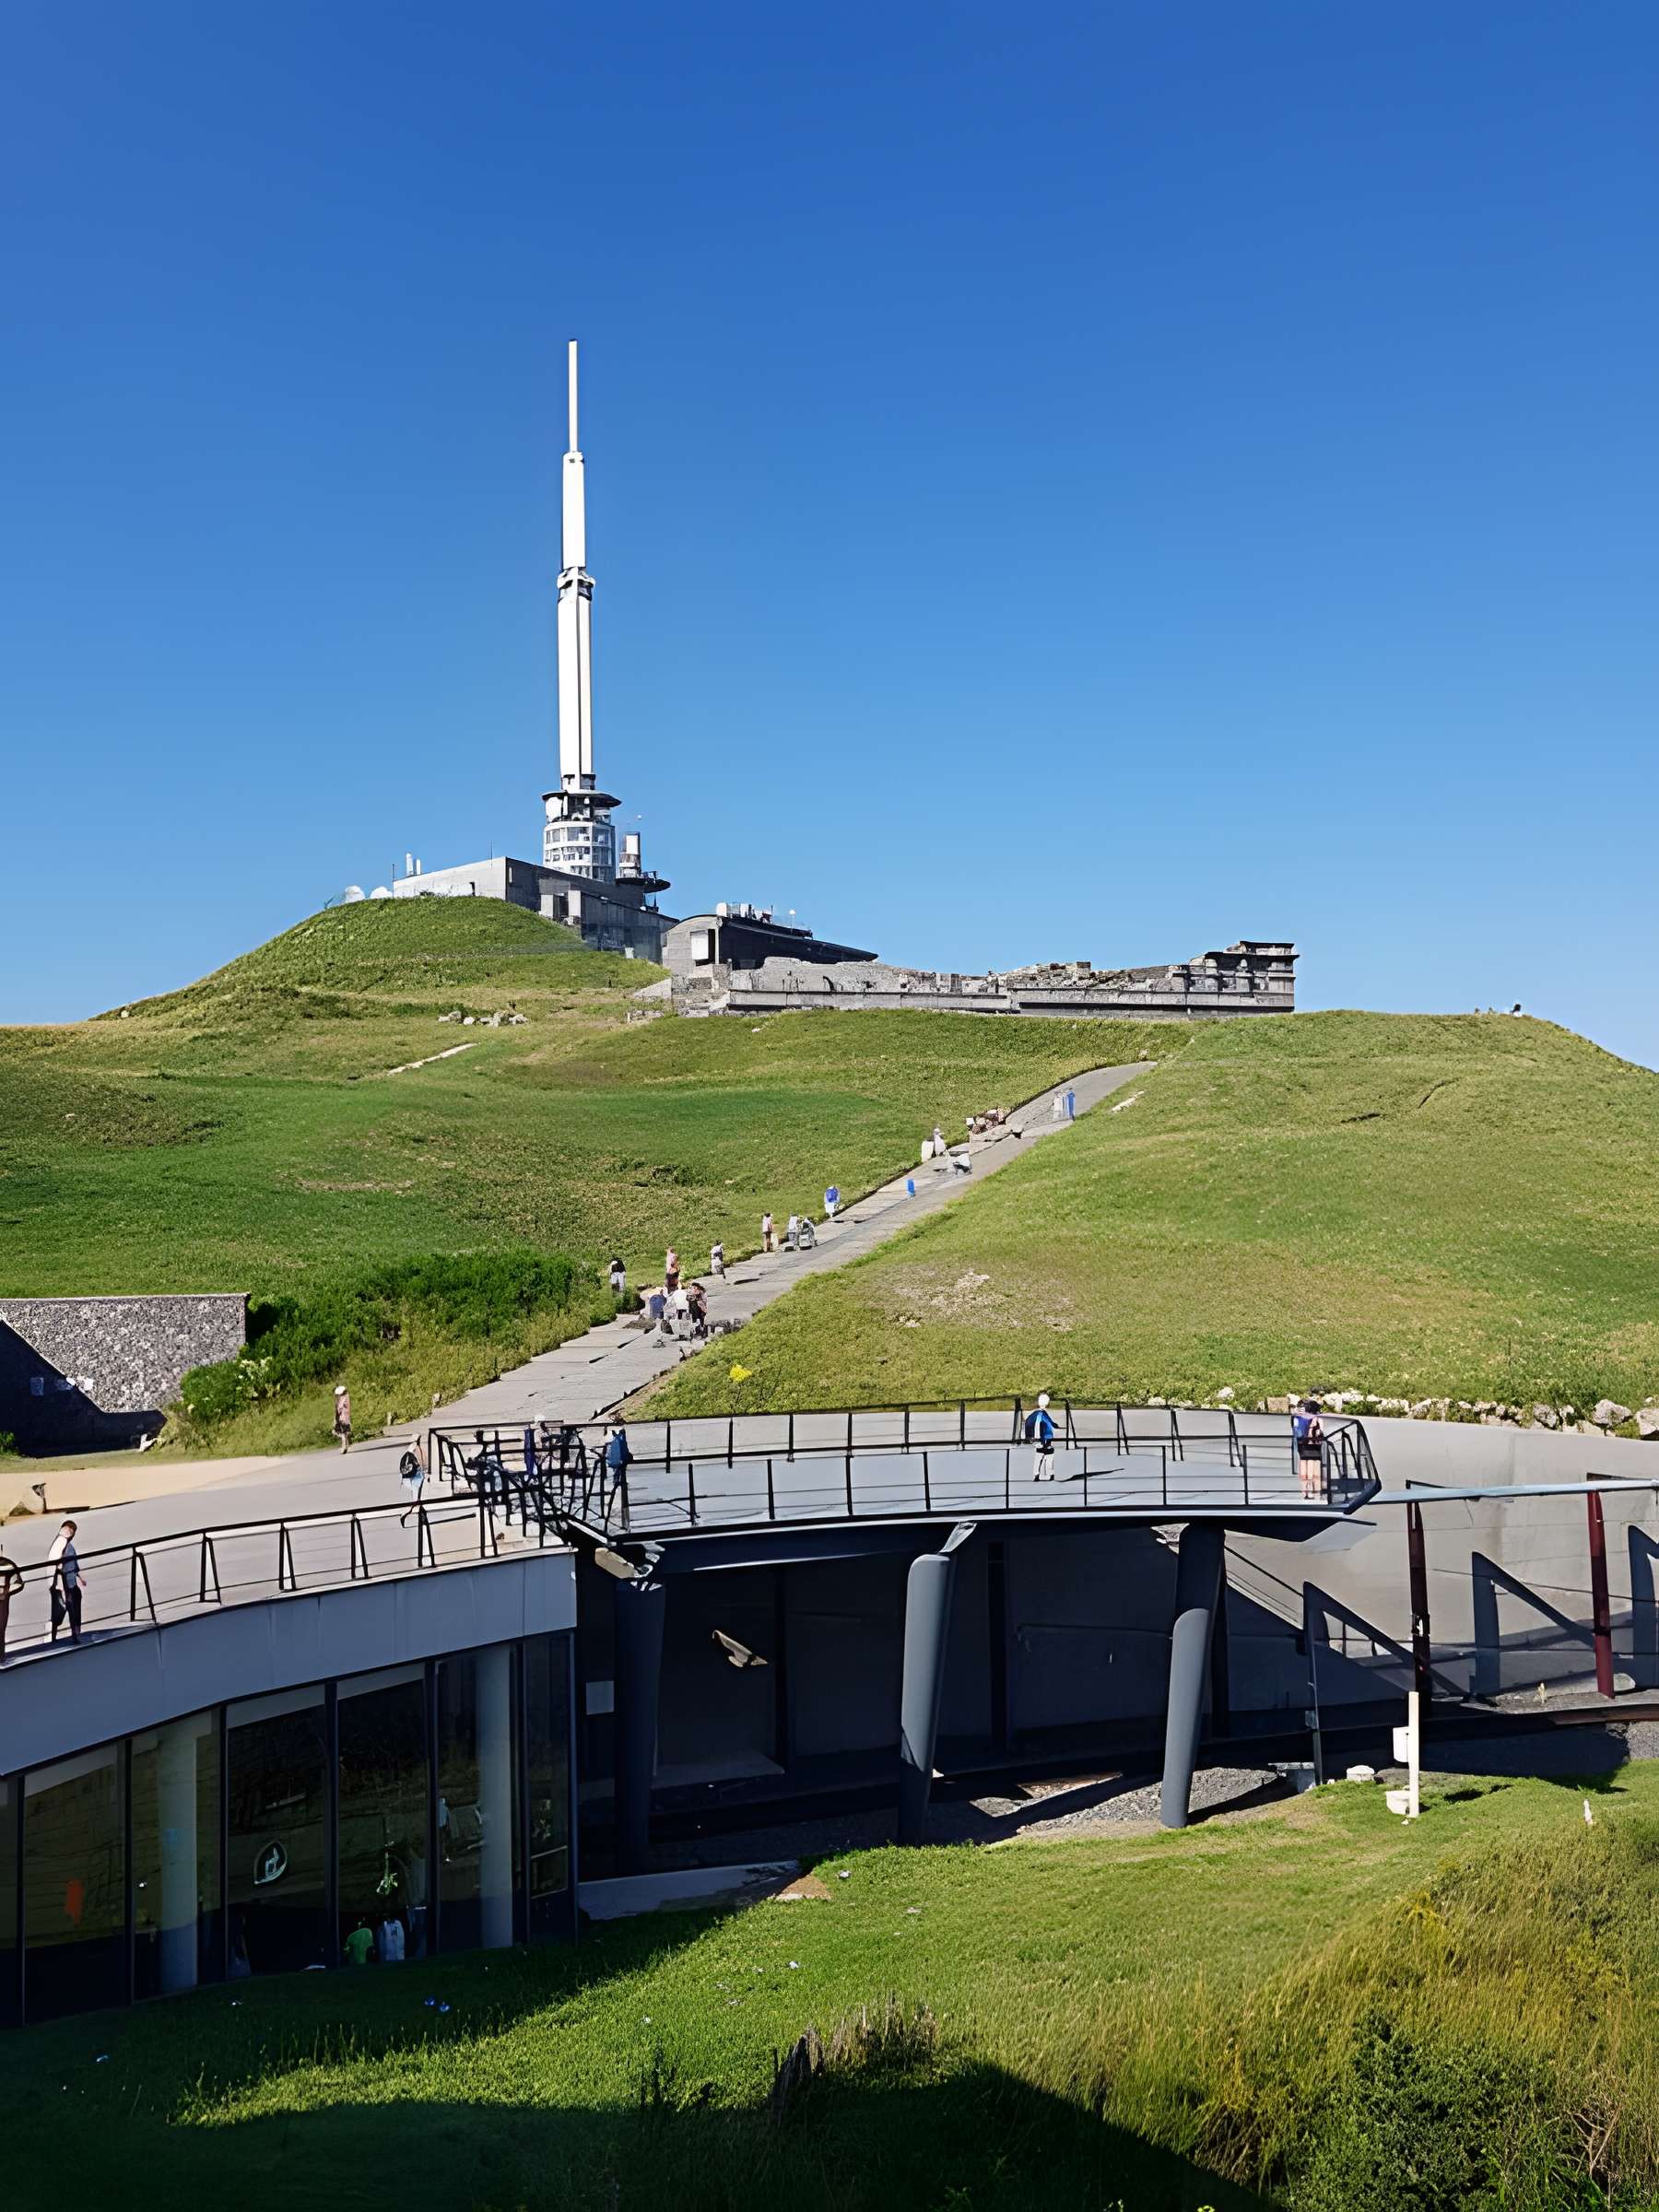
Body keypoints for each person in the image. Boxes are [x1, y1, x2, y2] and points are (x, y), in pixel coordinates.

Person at [48, 1520, 87, 1644]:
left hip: (70, 1582)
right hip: (61, 1584)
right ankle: (59, 1636)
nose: (69, 1532)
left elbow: (73, 1563)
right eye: (68, 1529)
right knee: (61, 1609)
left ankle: (75, 1633)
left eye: (71, 1530)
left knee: (72, 1607)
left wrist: (79, 1576)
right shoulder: (61, 1543)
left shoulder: (68, 1545)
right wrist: (59, 1585)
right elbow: (55, 1563)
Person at [1293, 1398, 1324, 1500]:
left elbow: (1295, 1430)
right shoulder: (1317, 1419)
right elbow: (1320, 1433)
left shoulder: (1297, 1418)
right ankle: (1315, 1492)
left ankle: (1305, 1492)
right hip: (1314, 1446)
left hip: (1301, 1444)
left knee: (1304, 1467)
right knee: (1314, 1469)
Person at [1025, 1393, 1057, 1479]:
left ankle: (1037, 1474)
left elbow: (1029, 1424)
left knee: (1039, 1455)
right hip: (1044, 1438)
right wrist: (1041, 1439)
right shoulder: (1041, 1414)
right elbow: (1040, 1426)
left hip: (1041, 1438)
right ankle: (1049, 1474)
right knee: (1048, 1455)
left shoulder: (1035, 1414)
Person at [0, 1538, 22, 1660]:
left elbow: (19, 1582)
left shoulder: (8, 1566)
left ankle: (1, 1656)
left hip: (3, 1602)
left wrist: (7, 1592)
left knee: (1, 1628)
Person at [397, 1438, 427, 1527]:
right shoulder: (416, 1449)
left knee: (416, 1497)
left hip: (410, 1477)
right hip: (416, 1476)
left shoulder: (410, 1450)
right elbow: (422, 1462)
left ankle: (418, 1514)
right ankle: (409, 1514)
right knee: (417, 1497)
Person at [334, 1382, 352, 1454]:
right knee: (345, 1432)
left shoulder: (342, 1398)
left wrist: (337, 1408)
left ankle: (344, 1447)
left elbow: (339, 1409)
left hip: (342, 1417)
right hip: (346, 1417)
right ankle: (346, 1446)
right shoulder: (347, 1397)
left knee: (342, 1433)